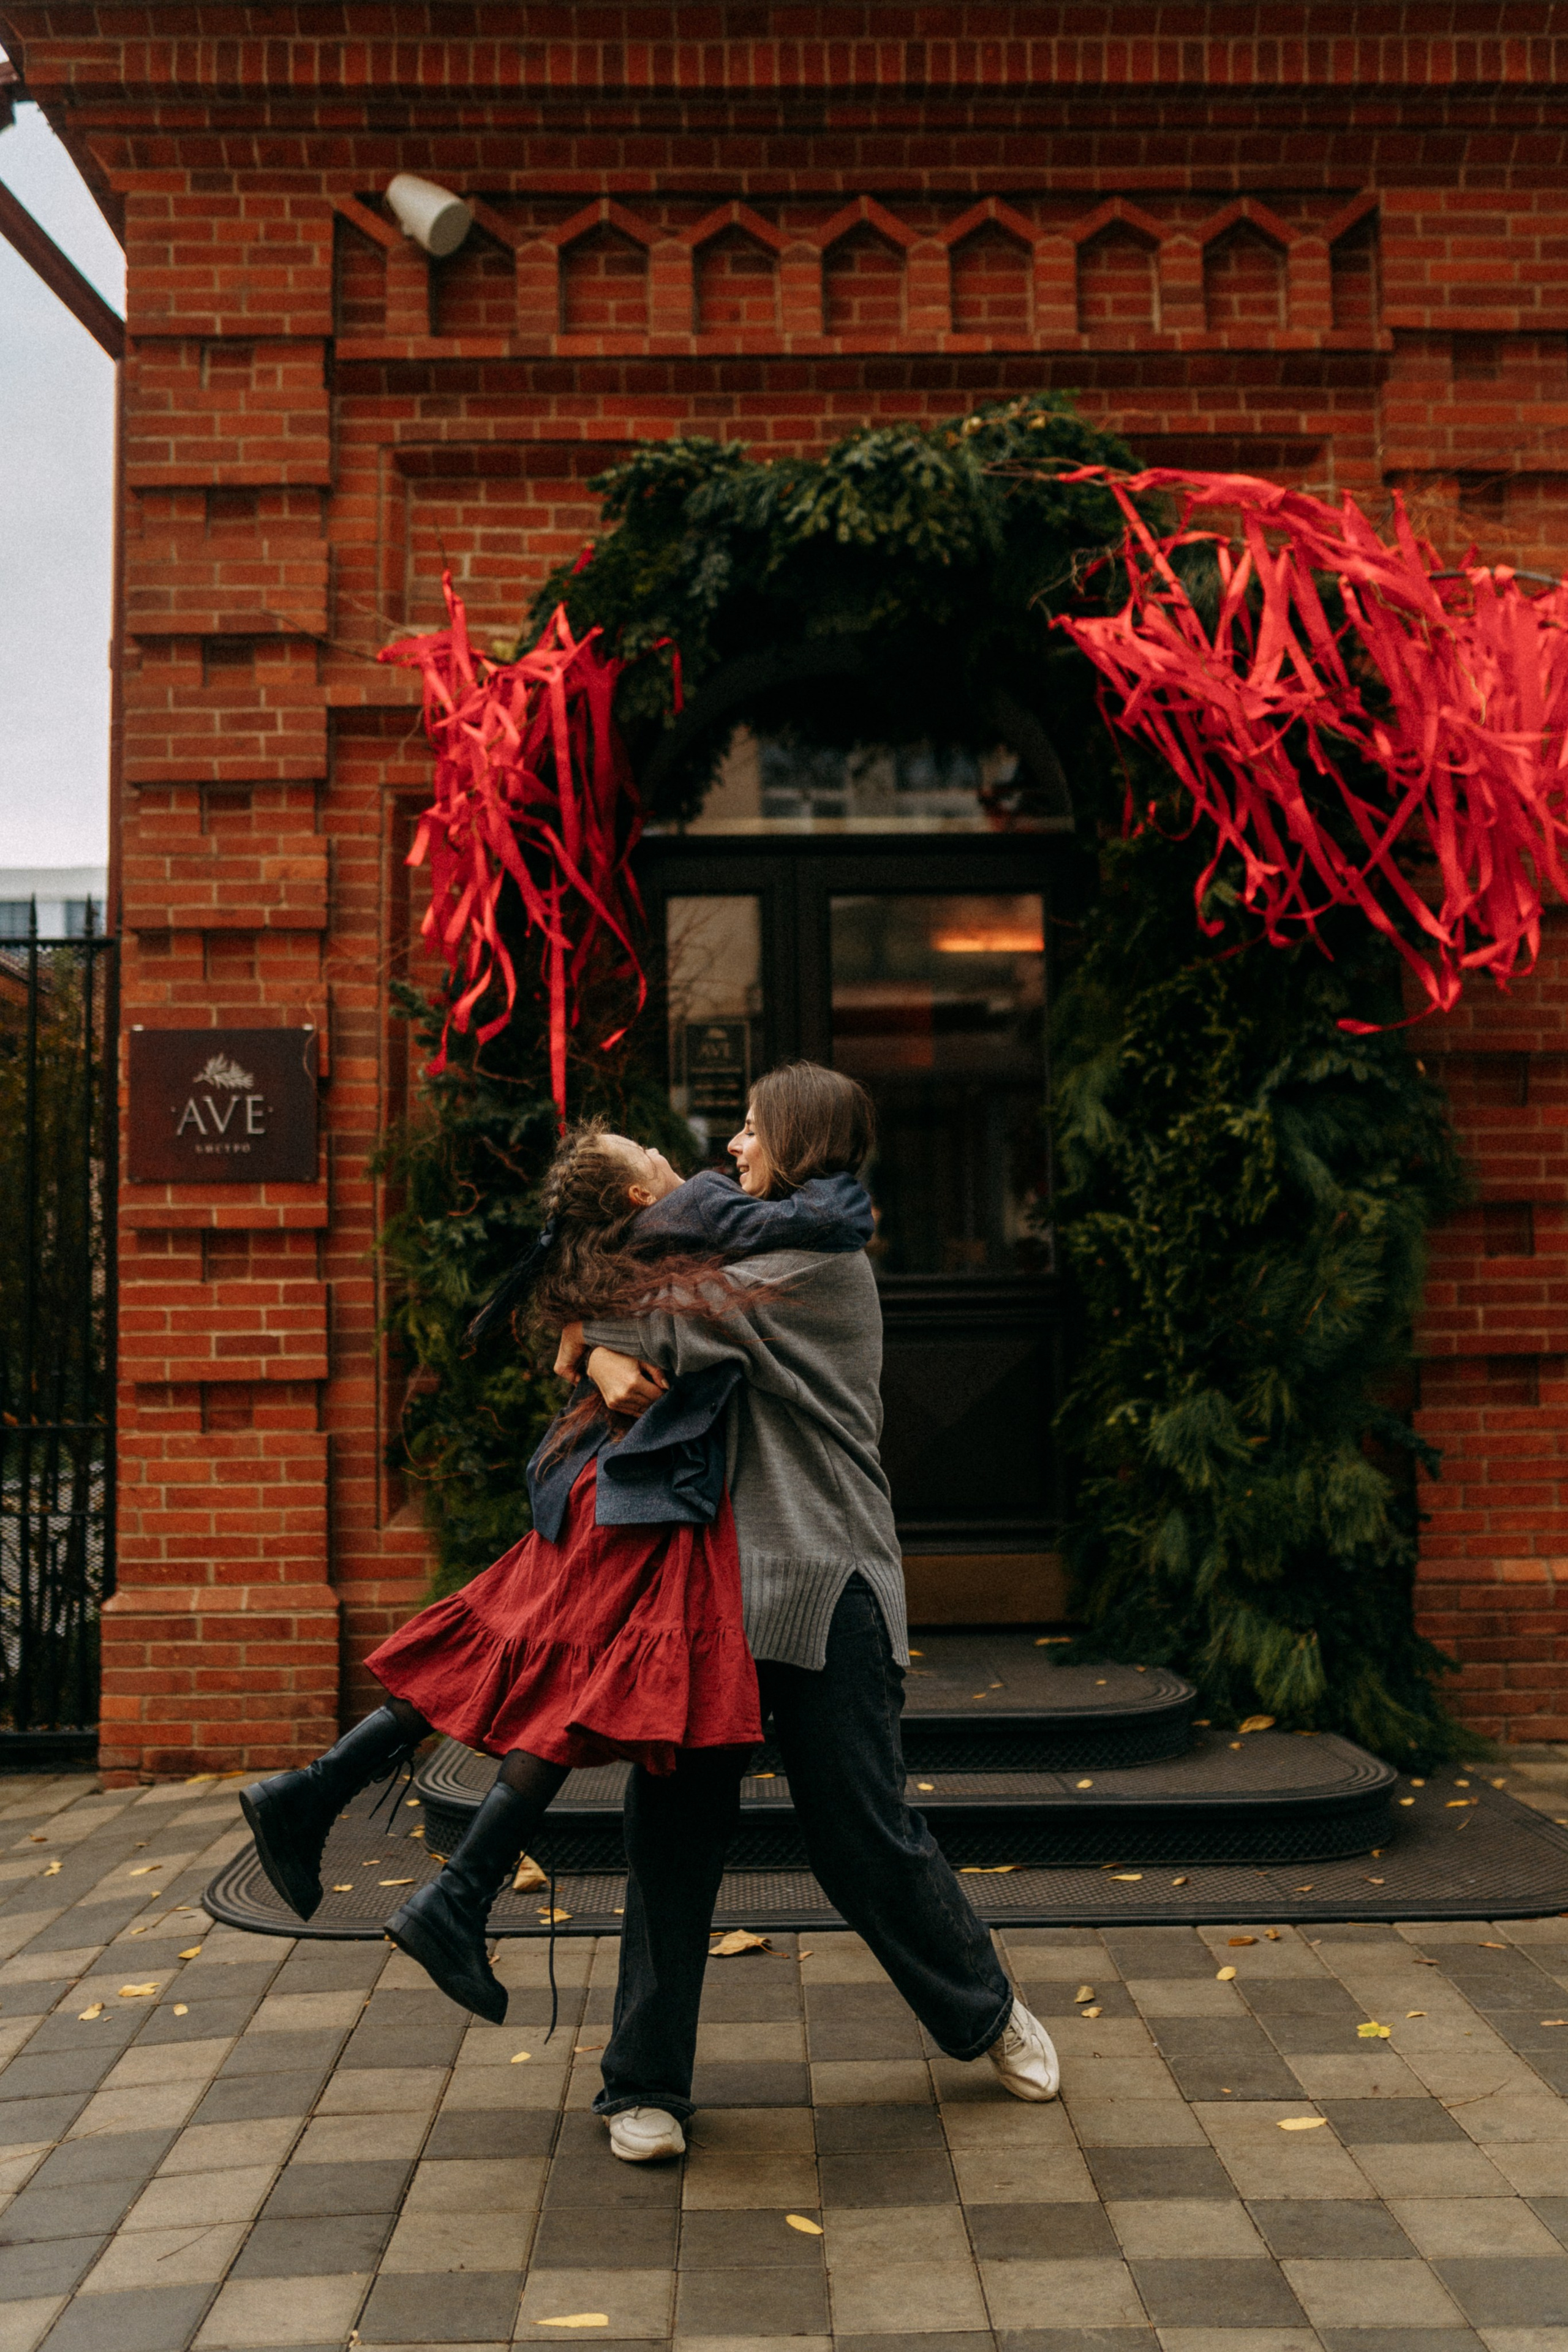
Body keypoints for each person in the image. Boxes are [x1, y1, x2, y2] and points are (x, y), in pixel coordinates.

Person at [238, 1120, 873, 2049]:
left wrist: (589, 1340)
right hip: (637, 1493)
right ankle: (447, 1891)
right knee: (573, 1680)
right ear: (634, 1196)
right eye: (650, 1159)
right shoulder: (684, 1223)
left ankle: (319, 1796)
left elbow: (576, 1303)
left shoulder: (618, 1247)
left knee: (505, 1639)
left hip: (601, 1479)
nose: (679, 1159)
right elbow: (823, 1219)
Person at [575, 1061, 1060, 2165]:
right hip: (710, 1593)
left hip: (828, 1579)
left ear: (796, 1148)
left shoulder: (823, 1269)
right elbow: (627, 1301)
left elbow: (660, 1315)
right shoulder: (737, 1247)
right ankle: (640, 2088)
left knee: (862, 1834)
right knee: (673, 1836)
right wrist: (596, 1336)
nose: (733, 1149)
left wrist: (599, 1338)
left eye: (751, 1132)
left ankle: (985, 2013)